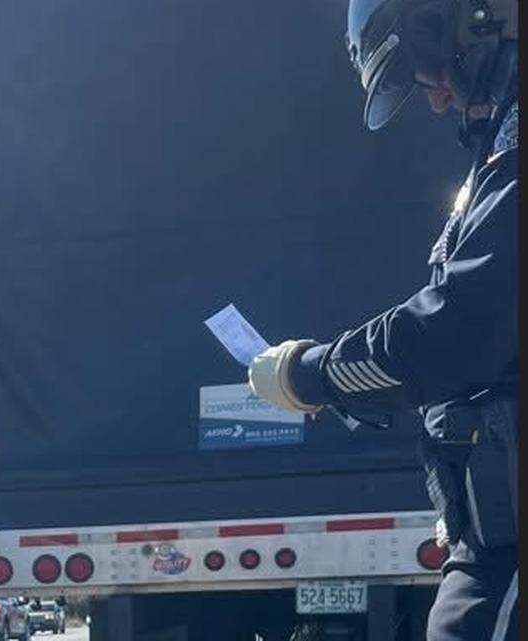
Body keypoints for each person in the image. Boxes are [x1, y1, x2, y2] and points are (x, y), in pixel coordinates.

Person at [247, 0, 518, 638]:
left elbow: (460, 331)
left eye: (424, 69)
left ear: (472, 21)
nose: (436, 101)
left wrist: (310, 374)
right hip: (492, 548)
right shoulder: (501, 153)